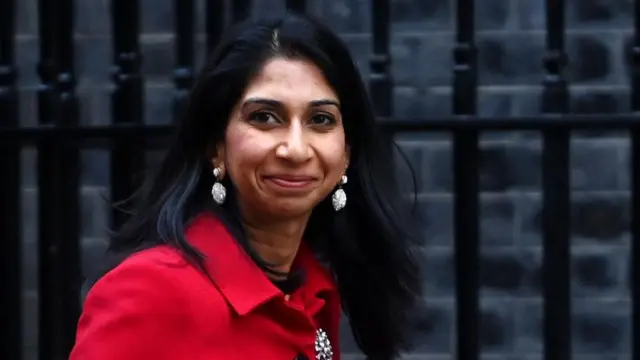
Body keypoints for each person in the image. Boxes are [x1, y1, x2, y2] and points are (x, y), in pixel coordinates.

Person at [70, 13, 423, 360]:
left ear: (346, 153)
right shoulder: (151, 291)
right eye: (265, 117)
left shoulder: (310, 292)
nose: (296, 149)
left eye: (320, 120)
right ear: (215, 147)